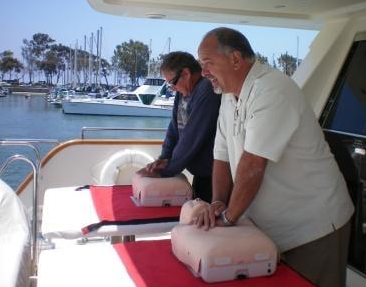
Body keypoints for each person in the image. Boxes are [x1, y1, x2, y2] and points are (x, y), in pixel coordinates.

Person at [195, 27, 354, 287]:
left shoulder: (271, 89)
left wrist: (228, 218)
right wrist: (217, 204)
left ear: (236, 59)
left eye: (208, 63)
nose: (203, 73)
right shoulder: (227, 97)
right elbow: (222, 156)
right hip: (267, 230)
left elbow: (253, 164)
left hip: (313, 227)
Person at [137, 51, 221, 202]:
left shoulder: (207, 90)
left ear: (186, 74)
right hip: (200, 174)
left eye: (173, 82)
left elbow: (191, 137)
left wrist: (166, 170)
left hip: (215, 177)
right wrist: (163, 158)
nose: (173, 88)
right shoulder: (182, 92)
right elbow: (174, 128)